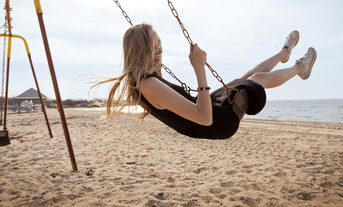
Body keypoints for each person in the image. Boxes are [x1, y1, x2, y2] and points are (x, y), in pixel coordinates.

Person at [99, 23, 317, 139]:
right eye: (156, 44)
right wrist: (199, 68)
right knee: (257, 80)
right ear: (146, 50)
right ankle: (300, 67)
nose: (161, 49)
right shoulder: (150, 86)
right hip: (215, 122)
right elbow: (203, 119)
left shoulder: (144, 80)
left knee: (246, 77)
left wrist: (149, 50)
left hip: (209, 109)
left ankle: (283, 52)